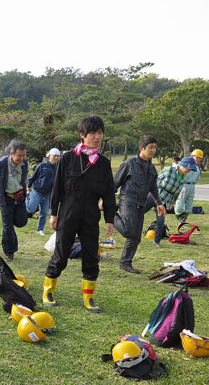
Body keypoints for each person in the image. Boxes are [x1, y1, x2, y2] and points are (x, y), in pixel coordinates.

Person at [42, 115, 116, 313]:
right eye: (93, 133)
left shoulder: (103, 163)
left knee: (91, 256)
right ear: (82, 135)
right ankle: (48, 291)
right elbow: (57, 187)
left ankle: (89, 297)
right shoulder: (67, 158)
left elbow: (109, 192)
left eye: (100, 133)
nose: (97, 137)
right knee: (61, 254)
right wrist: (53, 213)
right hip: (68, 211)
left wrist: (110, 218)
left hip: (91, 214)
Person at [113, 135, 164, 274]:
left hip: (141, 204)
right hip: (127, 200)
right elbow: (115, 182)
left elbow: (153, 188)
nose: (153, 150)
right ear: (142, 148)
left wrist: (159, 204)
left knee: (135, 237)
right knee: (129, 231)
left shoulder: (152, 168)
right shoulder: (129, 164)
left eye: (155, 148)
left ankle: (125, 263)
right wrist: (105, 200)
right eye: (150, 148)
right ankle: (111, 215)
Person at [145, 156, 196, 246]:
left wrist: (172, 203)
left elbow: (176, 193)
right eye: (189, 168)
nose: (189, 170)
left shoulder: (183, 179)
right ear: (183, 165)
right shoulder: (169, 170)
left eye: (191, 169)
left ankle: (156, 241)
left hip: (164, 202)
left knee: (160, 221)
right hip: (154, 196)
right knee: (139, 212)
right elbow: (154, 180)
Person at [26, 148, 61, 235]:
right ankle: (25, 198)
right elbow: (33, 177)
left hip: (47, 194)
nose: (56, 158)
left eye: (58, 156)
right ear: (49, 156)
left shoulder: (58, 168)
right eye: (54, 156)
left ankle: (40, 229)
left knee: (44, 213)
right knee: (31, 209)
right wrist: (28, 187)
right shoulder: (41, 166)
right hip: (37, 192)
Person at [175, 149, 203, 224]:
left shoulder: (197, 169)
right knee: (179, 206)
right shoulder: (185, 165)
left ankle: (182, 222)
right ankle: (178, 218)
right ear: (192, 156)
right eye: (197, 157)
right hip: (183, 186)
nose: (198, 159)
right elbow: (179, 176)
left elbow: (196, 179)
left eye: (200, 158)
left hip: (192, 187)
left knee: (188, 207)